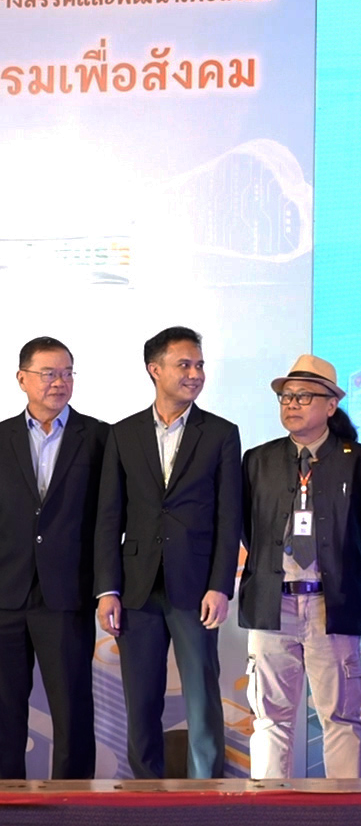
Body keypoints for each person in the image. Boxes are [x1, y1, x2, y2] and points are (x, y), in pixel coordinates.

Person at [94, 326, 243, 779]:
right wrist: (107, 590)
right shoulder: (123, 434)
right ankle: (145, 791)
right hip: (136, 588)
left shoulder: (220, 433)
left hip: (196, 587)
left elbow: (229, 518)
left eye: (199, 365)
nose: (195, 374)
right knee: (141, 700)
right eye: (184, 365)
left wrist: (220, 586)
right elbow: (108, 518)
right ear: (154, 369)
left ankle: (206, 793)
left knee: (202, 697)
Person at [238, 356, 361, 778]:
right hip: (272, 602)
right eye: (286, 396)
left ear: (331, 406)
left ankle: (345, 807)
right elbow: (248, 529)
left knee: (341, 716)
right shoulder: (258, 460)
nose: (292, 404)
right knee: (269, 718)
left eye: (304, 396)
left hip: (331, 602)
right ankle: (268, 806)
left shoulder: (359, 460)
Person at [0, 337, 105, 780]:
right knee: (4, 708)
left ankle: (74, 801)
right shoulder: (2, 437)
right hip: (6, 592)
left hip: (67, 592)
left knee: (72, 708)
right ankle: (6, 798)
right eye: (48, 374)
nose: (59, 382)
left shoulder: (99, 437)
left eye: (66, 373)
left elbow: (109, 519)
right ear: (22, 378)